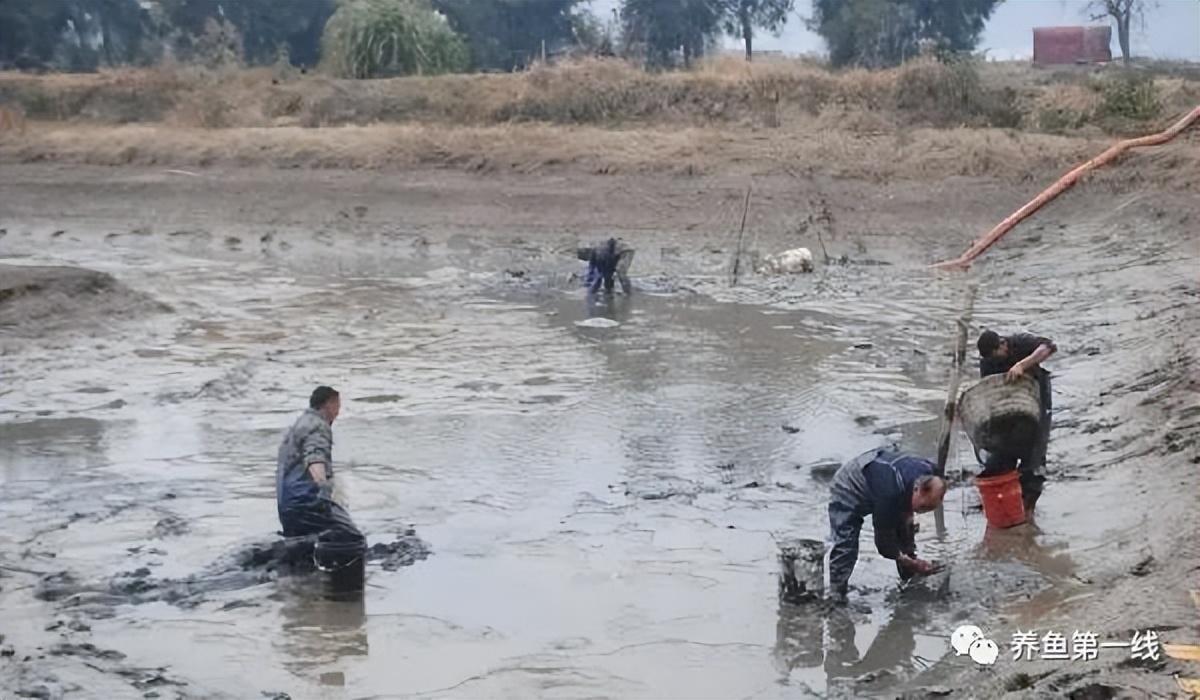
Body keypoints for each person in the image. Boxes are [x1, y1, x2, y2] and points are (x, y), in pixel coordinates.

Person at [827, 448, 947, 601]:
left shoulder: (931, 471)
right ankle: (836, 594)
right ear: (916, 490)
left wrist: (909, 552)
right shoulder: (889, 494)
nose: (922, 512)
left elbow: (905, 518)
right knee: (846, 544)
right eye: (922, 507)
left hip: (880, 472)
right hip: (849, 486)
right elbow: (884, 544)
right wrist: (901, 557)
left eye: (930, 508)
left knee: (905, 528)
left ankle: (909, 578)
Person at [276, 386, 365, 553]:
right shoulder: (318, 426)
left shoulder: (298, 424)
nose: (338, 413)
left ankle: (301, 574)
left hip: (287, 506)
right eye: (338, 406)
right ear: (329, 404)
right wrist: (324, 488)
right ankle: (341, 577)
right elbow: (314, 458)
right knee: (353, 540)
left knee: (305, 544)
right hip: (307, 502)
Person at [976, 329, 1057, 513]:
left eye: (998, 354)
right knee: (1001, 452)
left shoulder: (1019, 342)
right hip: (1008, 403)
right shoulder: (988, 363)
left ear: (1003, 344)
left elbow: (1049, 347)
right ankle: (1003, 498)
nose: (996, 360)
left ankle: (1028, 506)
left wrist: (1023, 364)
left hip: (1036, 394)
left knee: (1035, 451)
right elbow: (988, 392)